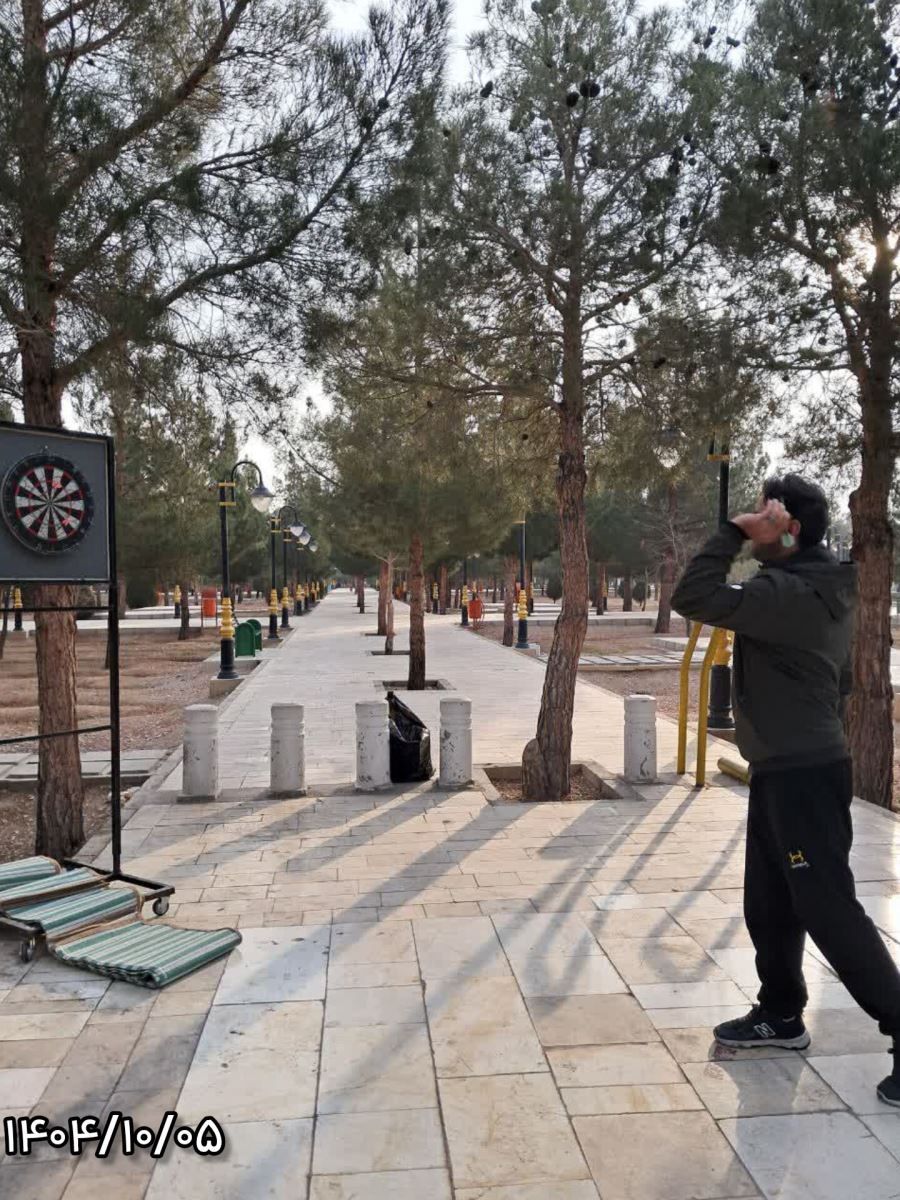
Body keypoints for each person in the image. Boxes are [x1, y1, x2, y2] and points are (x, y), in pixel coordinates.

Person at [671, 473, 900, 1107]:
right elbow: (842, 682)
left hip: (802, 773)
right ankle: (780, 1012)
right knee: (769, 901)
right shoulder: (819, 584)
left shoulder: (789, 593)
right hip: (787, 765)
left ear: (789, 529)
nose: (754, 521)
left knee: (826, 908)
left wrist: (731, 533)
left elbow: (692, 595)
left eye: (764, 514)